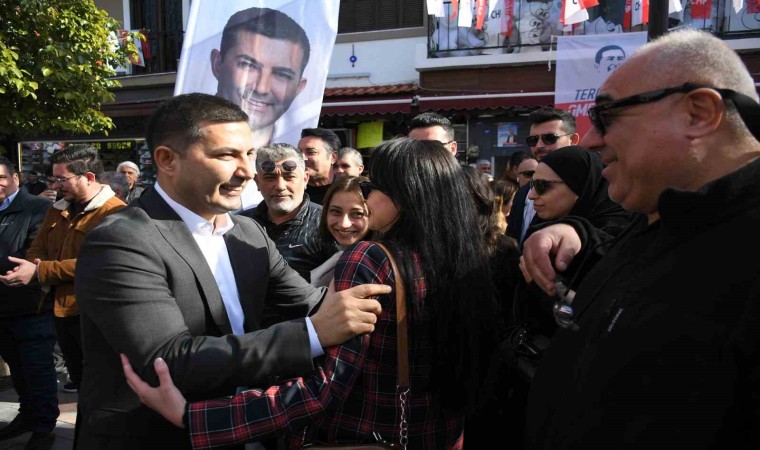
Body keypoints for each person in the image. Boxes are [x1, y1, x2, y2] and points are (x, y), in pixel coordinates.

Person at [120, 138, 503, 449]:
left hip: (363, 436)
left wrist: (195, 418)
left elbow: (324, 389)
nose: (364, 200)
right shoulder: (466, 259)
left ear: (404, 195)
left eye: (370, 188)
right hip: (438, 436)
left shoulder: (372, 258)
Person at [74, 93, 388, 450]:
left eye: (249, 154)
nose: (248, 172)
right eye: (226, 155)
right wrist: (311, 334)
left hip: (229, 430)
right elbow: (169, 360)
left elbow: (313, 303)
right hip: (148, 436)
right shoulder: (121, 239)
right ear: (167, 160)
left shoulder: (247, 233)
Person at [520, 29, 760, 448]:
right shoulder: (655, 220)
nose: (591, 140)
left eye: (607, 116)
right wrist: (576, 232)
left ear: (699, 113)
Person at [0, 145, 126, 397]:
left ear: (88, 177)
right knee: (80, 383)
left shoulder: (116, 212)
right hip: (58, 310)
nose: (56, 185)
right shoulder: (57, 209)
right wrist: (34, 266)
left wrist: (38, 272)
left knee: (101, 388)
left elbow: (99, 263)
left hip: (94, 314)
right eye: (53, 179)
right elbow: (37, 249)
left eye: (62, 179)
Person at [0, 157, 59, 450]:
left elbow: (36, 255)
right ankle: (27, 416)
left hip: (30, 307)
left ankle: (45, 428)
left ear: (16, 178)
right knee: (18, 370)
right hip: (2, 308)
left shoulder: (38, 208)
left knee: (37, 370)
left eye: (0, 177)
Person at [211, 6, 309, 149]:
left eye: (281, 74)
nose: (261, 88)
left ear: (299, 88)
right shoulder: (182, 145)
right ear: (217, 64)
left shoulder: (301, 155)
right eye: (248, 65)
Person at [238, 143, 337, 281]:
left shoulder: (328, 224)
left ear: (305, 179)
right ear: (257, 182)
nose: (280, 186)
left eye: (289, 177)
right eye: (270, 177)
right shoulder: (239, 226)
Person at [507, 107, 579, 244]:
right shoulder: (523, 193)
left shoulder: (591, 189)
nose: (539, 145)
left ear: (573, 139)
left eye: (549, 138)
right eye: (533, 140)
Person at [310, 175, 377, 287]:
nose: (344, 224)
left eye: (357, 214)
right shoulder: (333, 255)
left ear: (374, 215)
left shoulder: (372, 263)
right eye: (336, 211)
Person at [299, 128, 341, 205]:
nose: (302, 158)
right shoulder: (292, 193)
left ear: (333, 157)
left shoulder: (346, 191)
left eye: (311, 152)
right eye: (299, 152)